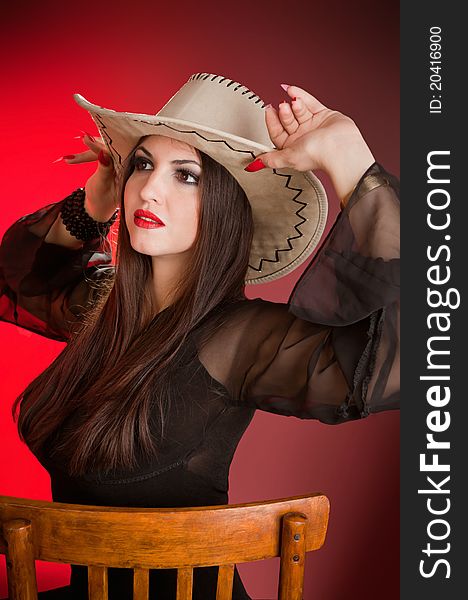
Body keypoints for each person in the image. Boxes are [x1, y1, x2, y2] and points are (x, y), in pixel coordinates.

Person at [0, 72, 399, 599]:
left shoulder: (239, 338)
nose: (149, 188)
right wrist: (98, 195)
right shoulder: (103, 309)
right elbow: (21, 276)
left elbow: (409, 357)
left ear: (226, 205)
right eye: (141, 165)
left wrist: (349, 159)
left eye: (186, 175)